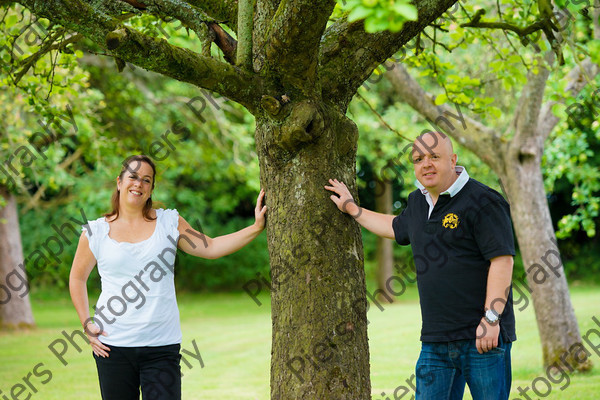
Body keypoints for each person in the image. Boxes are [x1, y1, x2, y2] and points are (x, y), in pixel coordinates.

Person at [325, 131, 515, 400]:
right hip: (435, 342)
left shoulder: (484, 201)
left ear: (453, 159)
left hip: (482, 338)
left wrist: (491, 319)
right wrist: (352, 208)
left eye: (434, 156)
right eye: (418, 158)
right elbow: (393, 226)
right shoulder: (417, 202)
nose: (426, 163)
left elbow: (502, 260)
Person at [69, 155, 266, 400]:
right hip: (112, 346)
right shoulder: (95, 231)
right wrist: (86, 323)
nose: (138, 183)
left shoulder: (168, 223)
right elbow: (77, 278)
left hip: (161, 347)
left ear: (151, 188)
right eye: (133, 177)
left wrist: (256, 227)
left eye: (146, 180)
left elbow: (212, 247)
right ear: (119, 182)